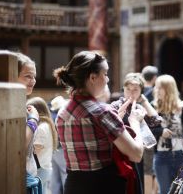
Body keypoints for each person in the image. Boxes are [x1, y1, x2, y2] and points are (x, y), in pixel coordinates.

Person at [54, 51, 144, 194]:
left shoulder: (62, 112)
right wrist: (135, 123)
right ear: (93, 77)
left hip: (73, 185)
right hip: (102, 186)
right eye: (106, 74)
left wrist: (115, 120)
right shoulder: (102, 112)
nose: (107, 79)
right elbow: (136, 154)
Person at [111, 73, 161, 194]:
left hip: (138, 152)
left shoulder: (140, 108)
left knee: (137, 185)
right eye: (128, 89)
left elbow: (157, 121)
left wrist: (143, 101)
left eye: (135, 90)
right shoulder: (116, 105)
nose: (131, 92)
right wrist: (119, 113)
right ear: (123, 89)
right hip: (120, 153)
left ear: (141, 91)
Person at [151, 74, 183, 194]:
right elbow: (147, 130)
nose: (155, 90)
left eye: (159, 87)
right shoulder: (152, 107)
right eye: (155, 87)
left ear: (168, 89)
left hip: (181, 156)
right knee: (165, 191)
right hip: (161, 157)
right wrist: (161, 131)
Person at [15, 52, 42, 193]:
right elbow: (18, 146)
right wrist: (33, 120)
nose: (33, 81)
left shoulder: (21, 104)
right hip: (19, 179)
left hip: (29, 175)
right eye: (27, 76)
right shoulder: (12, 105)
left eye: (34, 77)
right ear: (12, 76)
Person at [27, 96, 58, 194]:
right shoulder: (47, 124)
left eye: (29, 110)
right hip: (45, 167)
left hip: (40, 169)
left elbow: (38, 148)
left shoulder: (41, 127)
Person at [49, 95, 68, 194]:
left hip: (53, 149)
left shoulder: (51, 117)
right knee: (65, 173)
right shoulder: (60, 116)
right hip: (60, 149)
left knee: (54, 175)